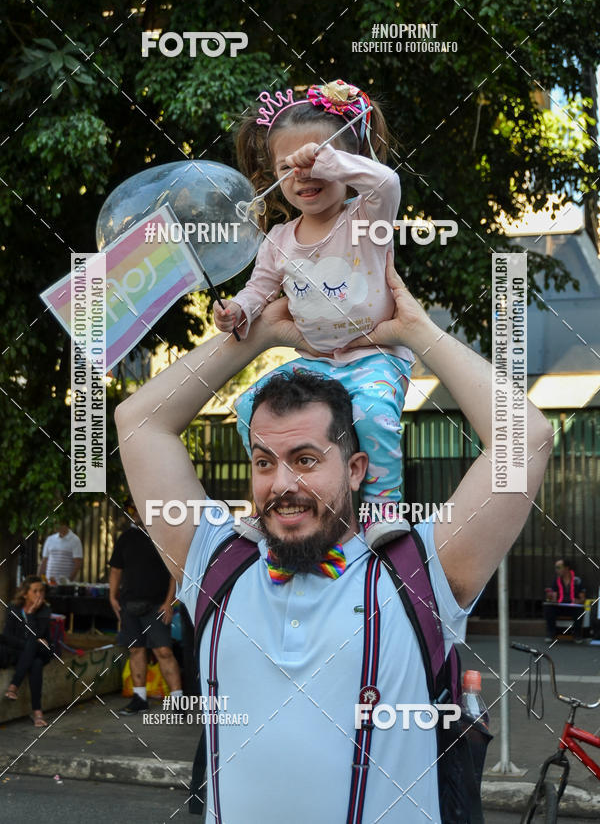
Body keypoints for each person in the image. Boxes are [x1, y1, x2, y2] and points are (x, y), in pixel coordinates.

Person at [115, 254, 553, 823]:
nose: (282, 484)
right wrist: (259, 333)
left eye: (305, 460)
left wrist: (414, 331)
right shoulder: (216, 565)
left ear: (355, 469)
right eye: (264, 461)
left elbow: (527, 437)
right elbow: (139, 422)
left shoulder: (418, 571)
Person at [213, 80, 413, 550]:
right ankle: (267, 507)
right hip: (316, 361)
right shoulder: (279, 239)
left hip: (376, 356)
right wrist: (237, 310)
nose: (303, 174)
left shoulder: (366, 216)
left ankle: (384, 505)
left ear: (349, 161)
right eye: (289, 166)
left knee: (372, 413)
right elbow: (258, 290)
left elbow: (388, 181)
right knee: (248, 408)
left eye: (316, 161)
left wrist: (329, 160)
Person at [108, 500, 183, 715]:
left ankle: (178, 702)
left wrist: (169, 603)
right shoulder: (125, 538)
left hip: (157, 605)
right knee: (136, 650)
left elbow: (174, 573)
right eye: (133, 510)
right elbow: (116, 570)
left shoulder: (162, 537)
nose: (136, 513)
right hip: (129, 604)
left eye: (139, 508)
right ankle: (139, 699)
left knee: (164, 651)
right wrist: (112, 597)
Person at [1, 575, 54, 726]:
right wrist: (29, 643)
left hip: (42, 651)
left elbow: (39, 636)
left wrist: (31, 614)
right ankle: (37, 712)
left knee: (35, 647)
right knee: (35, 662)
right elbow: (7, 636)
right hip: (24, 652)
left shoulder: (45, 610)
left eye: (42, 591)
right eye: (35, 591)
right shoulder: (13, 608)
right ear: (25, 594)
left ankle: (14, 686)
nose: (40, 595)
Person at [544, 557, 586, 643]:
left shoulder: (577, 580)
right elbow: (553, 598)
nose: (556, 570)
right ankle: (551, 633)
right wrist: (550, 597)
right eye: (556, 567)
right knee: (549, 608)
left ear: (566, 568)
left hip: (573, 607)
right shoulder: (556, 581)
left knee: (580, 610)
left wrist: (577, 601)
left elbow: (583, 599)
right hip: (560, 606)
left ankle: (577, 635)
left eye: (558, 567)